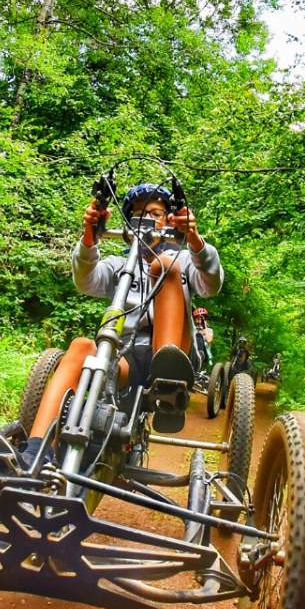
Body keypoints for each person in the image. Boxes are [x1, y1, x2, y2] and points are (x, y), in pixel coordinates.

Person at [25, 183, 224, 454]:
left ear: (168, 219)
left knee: (163, 265)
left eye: (155, 213)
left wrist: (195, 240)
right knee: (81, 346)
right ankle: (35, 452)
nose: (147, 220)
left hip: (173, 353)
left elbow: (211, 284)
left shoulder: (184, 260)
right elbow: (85, 280)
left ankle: (166, 379)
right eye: (138, 214)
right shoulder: (119, 266)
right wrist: (89, 237)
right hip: (126, 358)